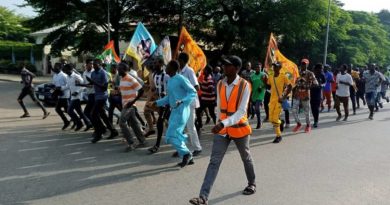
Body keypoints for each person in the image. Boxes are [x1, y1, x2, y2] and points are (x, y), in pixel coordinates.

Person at [189, 56, 256, 205]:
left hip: (239, 128)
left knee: (246, 157)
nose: (224, 67)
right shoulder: (220, 84)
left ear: (237, 68)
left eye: (228, 65)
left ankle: (252, 183)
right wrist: (219, 123)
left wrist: (223, 123)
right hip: (223, 130)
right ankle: (203, 197)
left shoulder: (245, 85)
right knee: (214, 161)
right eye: (224, 65)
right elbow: (219, 108)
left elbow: (241, 112)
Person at [152, 60, 197, 167]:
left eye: (167, 66)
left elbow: (193, 92)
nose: (165, 68)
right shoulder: (171, 80)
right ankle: (188, 155)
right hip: (174, 111)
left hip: (182, 110)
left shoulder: (181, 78)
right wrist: (157, 103)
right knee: (176, 135)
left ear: (172, 68)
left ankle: (186, 154)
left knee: (171, 135)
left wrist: (182, 101)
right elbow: (169, 97)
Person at [117, 62, 146, 152]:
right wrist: (117, 92)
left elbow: (141, 90)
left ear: (124, 69)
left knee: (122, 122)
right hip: (125, 104)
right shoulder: (122, 79)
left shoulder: (130, 79)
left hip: (130, 105)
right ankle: (142, 140)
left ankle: (131, 142)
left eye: (119, 68)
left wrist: (133, 101)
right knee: (134, 123)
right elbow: (124, 90)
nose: (118, 70)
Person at [88, 59, 118, 143]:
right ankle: (113, 131)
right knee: (103, 115)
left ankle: (99, 132)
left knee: (93, 114)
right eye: (93, 64)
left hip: (103, 96)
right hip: (96, 96)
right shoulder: (93, 73)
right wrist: (81, 84)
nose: (94, 66)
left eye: (95, 64)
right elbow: (92, 84)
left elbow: (105, 87)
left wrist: (93, 82)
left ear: (100, 64)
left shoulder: (103, 73)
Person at [178, 52, 202, 156]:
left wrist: (186, 93)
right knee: (180, 127)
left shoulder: (189, 71)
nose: (178, 62)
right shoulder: (179, 72)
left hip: (190, 103)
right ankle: (181, 148)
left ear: (182, 61)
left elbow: (197, 87)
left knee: (190, 126)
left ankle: (197, 148)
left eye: (178, 60)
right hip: (181, 103)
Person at [146, 59, 172, 154]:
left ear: (161, 64)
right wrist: (152, 90)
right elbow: (156, 89)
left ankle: (157, 145)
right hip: (161, 103)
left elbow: (171, 88)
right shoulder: (154, 75)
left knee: (160, 122)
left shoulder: (167, 76)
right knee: (169, 123)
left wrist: (166, 93)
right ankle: (179, 140)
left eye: (156, 63)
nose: (154, 65)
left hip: (169, 103)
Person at [266, 62, 292, 143]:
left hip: (279, 101)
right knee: (270, 119)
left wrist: (283, 97)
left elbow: (290, 86)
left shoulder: (283, 76)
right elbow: (268, 86)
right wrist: (264, 80)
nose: (274, 68)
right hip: (271, 100)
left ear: (280, 68)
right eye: (273, 66)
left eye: (276, 67)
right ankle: (281, 122)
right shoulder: (270, 76)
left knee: (274, 119)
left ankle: (278, 136)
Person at [292, 59, 318, 133]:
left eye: (305, 64)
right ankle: (299, 124)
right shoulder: (297, 72)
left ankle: (308, 125)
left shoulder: (310, 73)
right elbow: (293, 82)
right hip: (297, 94)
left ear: (307, 65)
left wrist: (307, 86)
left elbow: (316, 83)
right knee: (294, 110)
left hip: (305, 94)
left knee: (307, 111)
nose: (303, 65)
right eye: (302, 63)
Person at [64, 64, 92, 131]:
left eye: (66, 70)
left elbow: (83, 85)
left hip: (78, 96)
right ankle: (88, 123)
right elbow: (68, 86)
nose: (65, 71)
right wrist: (60, 88)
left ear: (70, 69)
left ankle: (79, 124)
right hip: (72, 97)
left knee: (69, 110)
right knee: (80, 112)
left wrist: (77, 91)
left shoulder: (76, 76)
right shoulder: (67, 77)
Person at [196, 65, 217, 130]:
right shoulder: (206, 77)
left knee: (212, 114)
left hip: (209, 101)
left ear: (207, 71)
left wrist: (202, 86)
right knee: (199, 111)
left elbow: (211, 89)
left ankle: (217, 126)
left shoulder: (209, 79)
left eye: (204, 70)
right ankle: (200, 125)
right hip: (205, 100)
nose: (203, 71)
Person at [52, 62, 70, 129]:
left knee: (67, 110)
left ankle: (75, 121)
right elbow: (54, 84)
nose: (54, 68)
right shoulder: (55, 75)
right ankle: (67, 121)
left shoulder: (64, 76)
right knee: (58, 109)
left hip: (65, 95)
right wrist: (54, 89)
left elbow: (68, 85)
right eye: (54, 66)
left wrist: (61, 88)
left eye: (56, 67)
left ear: (60, 67)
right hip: (59, 95)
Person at [250, 62, 267, 129]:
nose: (258, 68)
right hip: (254, 94)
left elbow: (266, 84)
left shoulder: (263, 74)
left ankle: (259, 122)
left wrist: (262, 87)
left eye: (259, 67)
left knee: (257, 108)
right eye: (257, 67)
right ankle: (260, 119)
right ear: (255, 68)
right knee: (254, 109)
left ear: (261, 68)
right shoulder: (252, 76)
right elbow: (250, 85)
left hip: (261, 93)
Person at [311, 63, 326, 128]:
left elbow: (325, 82)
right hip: (311, 93)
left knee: (316, 108)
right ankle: (315, 118)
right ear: (317, 69)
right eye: (321, 68)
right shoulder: (311, 74)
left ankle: (316, 121)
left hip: (318, 93)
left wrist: (322, 85)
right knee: (312, 108)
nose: (322, 69)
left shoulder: (322, 75)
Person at [82, 59, 95, 131]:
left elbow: (92, 85)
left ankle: (97, 126)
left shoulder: (94, 72)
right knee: (88, 112)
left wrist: (83, 85)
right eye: (90, 64)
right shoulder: (84, 73)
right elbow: (85, 83)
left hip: (95, 94)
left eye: (92, 64)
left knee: (89, 112)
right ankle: (93, 125)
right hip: (89, 94)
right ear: (86, 65)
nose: (92, 65)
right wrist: (81, 84)